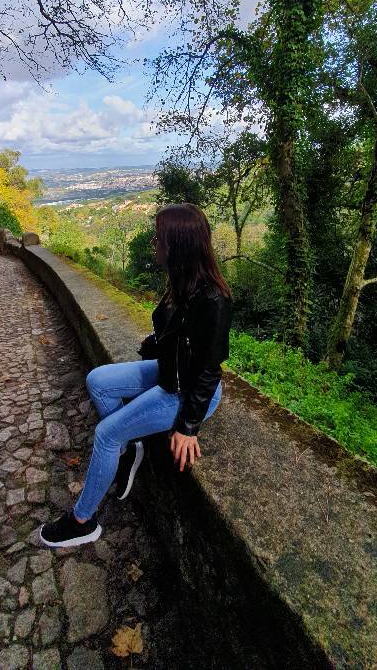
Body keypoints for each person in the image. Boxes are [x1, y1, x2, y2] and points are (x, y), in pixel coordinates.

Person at [39, 202, 233, 549]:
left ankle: (82, 521)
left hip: (188, 391)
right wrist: (155, 344)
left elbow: (209, 370)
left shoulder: (213, 299)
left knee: (106, 435)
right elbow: (172, 336)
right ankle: (131, 449)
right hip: (169, 374)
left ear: (178, 245)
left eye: (159, 238)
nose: (154, 244)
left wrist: (188, 427)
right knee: (98, 380)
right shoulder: (180, 283)